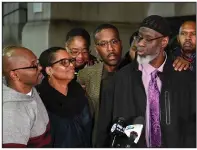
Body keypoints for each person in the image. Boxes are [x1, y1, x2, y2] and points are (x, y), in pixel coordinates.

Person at [96, 15, 196, 148]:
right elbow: (103, 133)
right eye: (139, 37)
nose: (140, 43)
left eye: (148, 39)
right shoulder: (118, 80)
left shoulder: (185, 79)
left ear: (164, 42)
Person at [36, 47, 92, 148]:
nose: (71, 65)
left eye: (71, 61)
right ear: (49, 70)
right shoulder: (40, 99)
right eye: (64, 62)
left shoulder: (78, 90)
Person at [77, 24, 122, 147]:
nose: (110, 48)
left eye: (114, 42)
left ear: (120, 43)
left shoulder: (135, 72)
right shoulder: (86, 75)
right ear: (96, 49)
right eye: (103, 44)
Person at [3, 46, 51, 148]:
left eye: (37, 63)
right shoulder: (12, 112)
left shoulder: (31, 87)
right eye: (33, 66)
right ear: (15, 75)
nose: (40, 68)